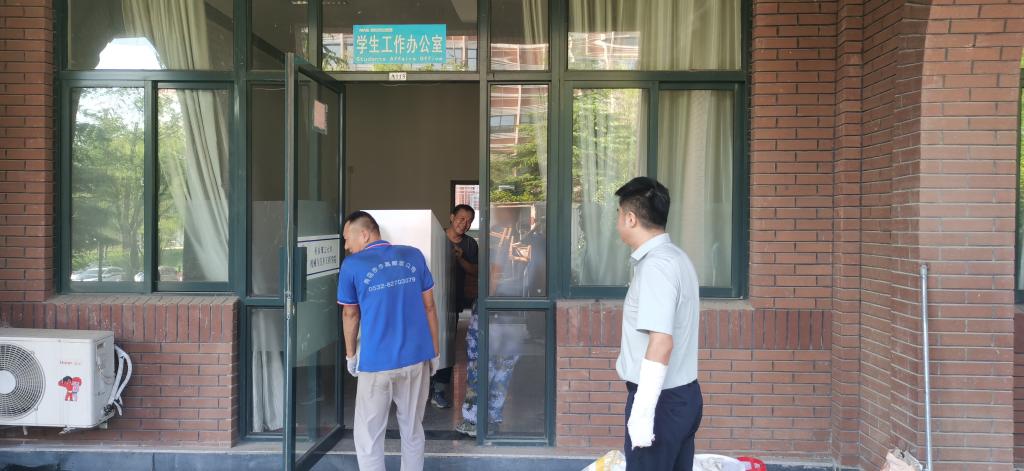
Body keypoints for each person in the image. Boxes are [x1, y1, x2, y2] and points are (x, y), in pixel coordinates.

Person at [338, 211, 439, 471]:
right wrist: (435, 352)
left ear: (364, 234)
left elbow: (350, 314)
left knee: (369, 435)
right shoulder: (413, 255)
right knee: (413, 430)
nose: (346, 246)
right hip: (416, 358)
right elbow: (429, 307)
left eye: (347, 238)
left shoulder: (352, 265)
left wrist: (351, 355)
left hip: (376, 364)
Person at [613, 177, 702, 470]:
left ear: (630, 218)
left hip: (660, 402)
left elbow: (661, 342)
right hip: (679, 397)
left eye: (618, 214)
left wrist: (642, 412)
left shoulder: (657, 265)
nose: (617, 222)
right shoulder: (675, 258)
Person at [430, 204, 479, 409]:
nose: (464, 224)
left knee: (447, 343)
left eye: (469, 221)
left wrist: (460, 259)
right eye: (461, 218)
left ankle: (439, 390)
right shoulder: (435, 235)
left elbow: (475, 271)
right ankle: (422, 387)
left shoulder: (470, 244)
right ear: (451, 217)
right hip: (427, 300)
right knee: (427, 341)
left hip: (452, 301)